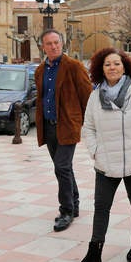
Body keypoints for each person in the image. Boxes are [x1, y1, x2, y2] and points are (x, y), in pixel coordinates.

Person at [70, 48, 131, 262]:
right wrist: (95, 150)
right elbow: (88, 126)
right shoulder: (94, 95)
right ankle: (94, 255)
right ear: (101, 69)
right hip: (105, 162)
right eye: (108, 64)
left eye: (117, 64)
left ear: (125, 67)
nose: (112, 67)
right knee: (101, 206)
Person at [35, 29, 93, 233]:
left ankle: (66, 211)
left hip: (68, 125)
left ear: (62, 43)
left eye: (56, 42)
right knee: (64, 168)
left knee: (61, 167)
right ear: (43, 47)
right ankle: (75, 204)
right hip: (48, 127)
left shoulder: (74, 67)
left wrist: (89, 124)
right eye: (49, 43)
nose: (53, 46)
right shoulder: (40, 70)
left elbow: (88, 96)